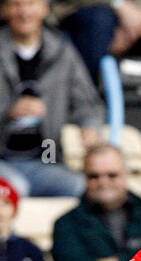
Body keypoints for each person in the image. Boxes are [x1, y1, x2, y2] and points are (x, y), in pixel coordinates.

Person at [0, 0, 103, 197]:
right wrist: (8, 111)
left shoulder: (62, 51)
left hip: (47, 157)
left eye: (30, 3)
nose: (24, 12)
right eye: (16, 4)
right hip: (3, 160)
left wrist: (89, 127)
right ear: (5, 10)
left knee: (80, 187)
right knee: (14, 189)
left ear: (44, 8)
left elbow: (87, 103)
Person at [52, 1, 141, 83]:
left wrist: (136, 25)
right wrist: (118, 5)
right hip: (83, 14)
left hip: (137, 21)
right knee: (99, 21)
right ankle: (87, 114)